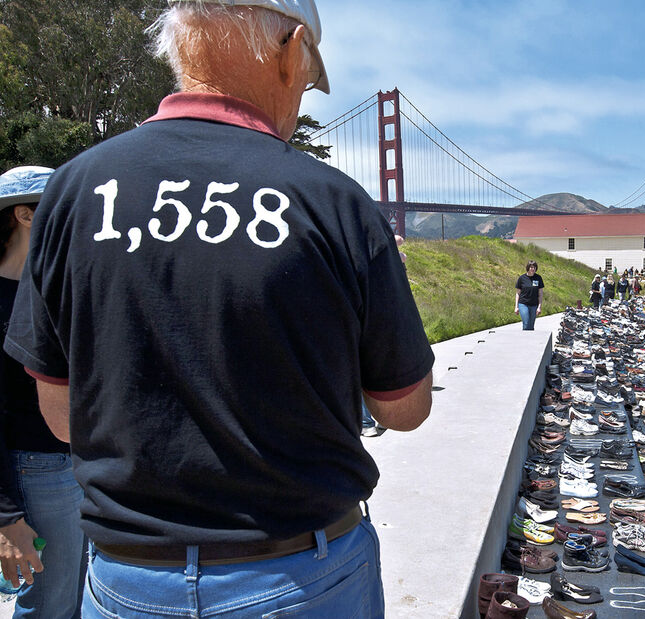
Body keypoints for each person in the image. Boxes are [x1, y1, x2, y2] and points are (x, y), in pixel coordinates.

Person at [3, 2, 435, 616]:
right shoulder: (335, 202)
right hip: (303, 578)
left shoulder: (72, 191)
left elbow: (62, 416)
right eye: (311, 78)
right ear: (289, 52)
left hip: (127, 583)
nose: (304, 97)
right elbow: (405, 408)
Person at [0, 167, 85, 617]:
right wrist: (5, 518)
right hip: (35, 470)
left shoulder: (55, 289)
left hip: (79, 463)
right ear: (24, 215)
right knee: (51, 604)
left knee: (75, 597)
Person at [514, 260, 543, 330]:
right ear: (528, 268)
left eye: (534, 267)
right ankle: (524, 340)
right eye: (531, 267)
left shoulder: (538, 278)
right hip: (523, 304)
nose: (533, 269)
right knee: (526, 324)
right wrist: (516, 307)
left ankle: (531, 340)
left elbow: (540, 293)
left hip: (534, 305)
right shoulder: (522, 278)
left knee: (531, 325)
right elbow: (518, 293)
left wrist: (539, 307)